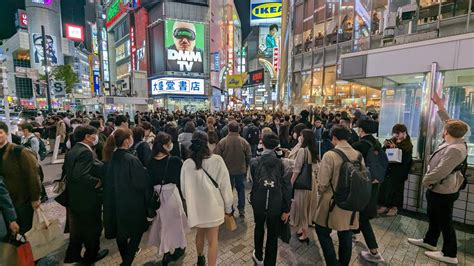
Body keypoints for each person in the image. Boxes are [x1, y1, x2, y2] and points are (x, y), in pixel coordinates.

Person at [408, 93, 468, 265]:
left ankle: (450, 253)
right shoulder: (455, 139)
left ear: (447, 132)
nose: (444, 128)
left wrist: (426, 180)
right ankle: (430, 241)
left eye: (445, 128)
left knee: (444, 220)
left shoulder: (455, 149)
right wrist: (441, 107)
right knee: (434, 216)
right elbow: (449, 122)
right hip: (439, 188)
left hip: (443, 189)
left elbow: (441, 170)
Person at [180, 131, 233, 266]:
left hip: (196, 208)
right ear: (206, 143)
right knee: (213, 240)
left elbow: (184, 191)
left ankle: (200, 257)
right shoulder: (217, 160)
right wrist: (228, 208)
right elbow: (226, 187)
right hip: (214, 207)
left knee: (200, 233)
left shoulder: (187, 164)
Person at [315, 126, 363, 266]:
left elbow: (322, 183)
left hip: (332, 202)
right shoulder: (358, 155)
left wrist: (319, 189)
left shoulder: (330, 155)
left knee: (321, 230)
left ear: (334, 137)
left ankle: (332, 263)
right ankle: (343, 263)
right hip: (351, 202)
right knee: (346, 232)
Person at [103, 128, 150, 266]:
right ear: (126, 141)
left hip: (114, 202)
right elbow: (141, 183)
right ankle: (127, 262)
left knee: (121, 234)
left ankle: (125, 259)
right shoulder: (131, 159)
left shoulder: (110, 157)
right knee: (136, 233)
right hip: (132, 203)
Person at [63, 125, 108, 264]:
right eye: (95, 135)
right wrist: (98, 182)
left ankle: (74, 255)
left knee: (78, 229)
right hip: (86, 198)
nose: (96, 138)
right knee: (93, 228)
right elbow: (80, 175)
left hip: (75, 197)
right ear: (87, 137)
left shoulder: (73, 150)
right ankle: (91, 256)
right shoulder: (85, 152)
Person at [249, 133, 291, 266]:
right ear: (276, 146)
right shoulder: (283, 163)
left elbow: (252, 181)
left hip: (259, 201)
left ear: (263, 144)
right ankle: (270, 262)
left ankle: (258, 256)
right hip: (276, 203)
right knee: (273, 233)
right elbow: (286, 188)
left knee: (259, 228)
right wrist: (286, 209)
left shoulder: (254, 162)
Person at [147, 132, 187, 266]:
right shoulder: (174, 160)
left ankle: (166, 251)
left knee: (163, 225)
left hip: (157, 197)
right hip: (171, 195)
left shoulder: (150, 160)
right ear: (164, 146)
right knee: (176, 224)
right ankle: (177, 248)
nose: (171, 145)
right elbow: (179, 180)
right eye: (169, 143)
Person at [351, 119, 387, 263]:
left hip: (362, 184)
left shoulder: (359, 145)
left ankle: (374, 251)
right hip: (375, 183)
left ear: (360, 130)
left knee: (362, 215)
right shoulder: (377, 143)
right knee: (362, 212)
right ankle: (353, 231)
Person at [0, 121, 41, 234]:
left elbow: (33, 176)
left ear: (7, 134)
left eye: (0, 133)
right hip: (4, 203)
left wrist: (35, 198)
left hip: (21, 201)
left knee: (24, 233)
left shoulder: (20, 151)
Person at [214, 121, 252, 218]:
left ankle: (229, 209)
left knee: (227, 191)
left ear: (228, 129)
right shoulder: (244, 142)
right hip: (240, 170)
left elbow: (217, 157)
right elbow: (249, 156)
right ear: (238, 129)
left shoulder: (223, 141)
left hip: (227, 171)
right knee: (241, 190)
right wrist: (247, 167)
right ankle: (242, 209)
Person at [290, 129, 319, 243]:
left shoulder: (302, 151)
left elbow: (297, 170)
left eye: (301, 136)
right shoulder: (313, 151)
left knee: (301, 207)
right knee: (308, 207)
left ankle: (305, 234)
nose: (299, 137)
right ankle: (303, 229)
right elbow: (317, 168)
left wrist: (291, 183)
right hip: (312, 182)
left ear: (305, 138)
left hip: (303, 183)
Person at [378, 124, 413, 217]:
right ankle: (385, 205)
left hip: (399, 171)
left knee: (396, 190)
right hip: (389, 169)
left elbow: (406, 160)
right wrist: (385, 146)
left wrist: (396, 148)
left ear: (404, 132)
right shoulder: (392, 140)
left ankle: (394, 208)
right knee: (385, 188)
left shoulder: (408, 144)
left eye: (398, 133)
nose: (396, 135)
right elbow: (384, 153)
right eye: (395, 133)